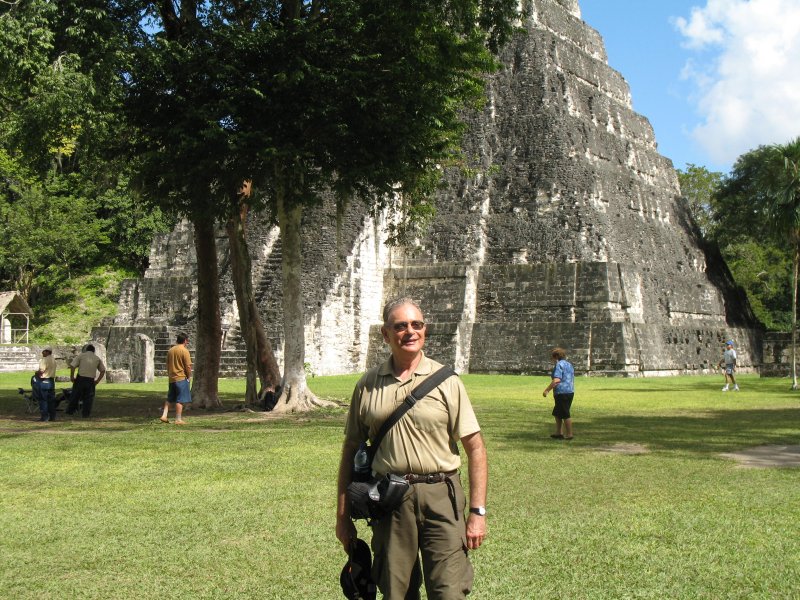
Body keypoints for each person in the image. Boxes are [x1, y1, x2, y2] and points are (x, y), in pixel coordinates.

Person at [336, 297, 488, 600]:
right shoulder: (367, 384)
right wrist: (342, 517)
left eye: (416, 325)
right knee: (397, 591)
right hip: (390, 500)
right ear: (386, 334)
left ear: (425, 330)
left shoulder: (446, 381)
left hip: (441, 495)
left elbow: (476, 448)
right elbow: (351, 452)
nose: (410, 331)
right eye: (400, 326)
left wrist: (477, 512)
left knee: (449, 591)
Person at [542, 347, 575, 440]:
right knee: (557, 413)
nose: (551, 359)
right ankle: (558, 432)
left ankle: (569, 434)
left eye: (552, 357)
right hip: (570, 391)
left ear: (556, 356)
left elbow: (556, 380)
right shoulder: (569, 365)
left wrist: (547, 390)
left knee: (565, 413)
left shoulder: (559, 365)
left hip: (562, 392)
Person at [67, 344, 106, 417]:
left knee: (75, 395)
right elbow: (103, 371)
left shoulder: (81, 356)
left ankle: (70, 411)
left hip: (80, 379)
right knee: (88, 398)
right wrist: (97, 381)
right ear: (94, 351)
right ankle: (86, 414)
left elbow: (72, 366)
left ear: (86, 350)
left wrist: (72, 376)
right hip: (90, 380)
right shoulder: (97, 358)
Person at [161, 333, 192, 425]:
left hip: (172, 378)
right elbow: (188, 366)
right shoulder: (184, 351)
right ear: (185, 340)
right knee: (180, 399)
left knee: (170, 398)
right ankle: (178, 419)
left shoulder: (170, 350)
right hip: (181, 377)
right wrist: (189, 376)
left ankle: (164, 415)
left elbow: (167, 364)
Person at [36, 347, 57, 421]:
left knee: (43, 399)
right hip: (51, 381)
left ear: (47, 352)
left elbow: (41, 370)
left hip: (44, 380)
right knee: (51, 400)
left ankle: (44, 417)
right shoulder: (53, 360)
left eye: (43, 351)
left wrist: (37, 373)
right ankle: (52, 416)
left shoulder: (44, 360)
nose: (42, 353)